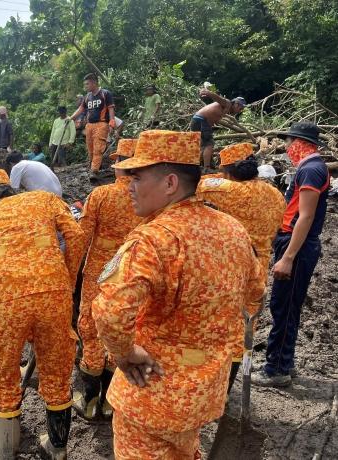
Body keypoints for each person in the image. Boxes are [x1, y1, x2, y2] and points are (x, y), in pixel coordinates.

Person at [92, 130, 265, 459]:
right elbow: (255, 291)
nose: (129, 186)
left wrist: (126, 354)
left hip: (150, 392)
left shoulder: (153, 240)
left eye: (137, 177)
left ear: (170, 183)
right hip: (201, 394)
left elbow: (111, 313)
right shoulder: (233, 230)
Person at [0, 169, 85, 460]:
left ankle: (6, 451)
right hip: (54, 294)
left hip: (7, 301)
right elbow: (75, 235)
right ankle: (57, 448)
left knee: (2, 369)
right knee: (57, 370)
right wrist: (67, 279)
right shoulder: (44, 200)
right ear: (9, 190)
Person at [197, 143, 286, 392]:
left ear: (229, 172)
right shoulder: (274, 194)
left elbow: (197, 183)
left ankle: (215, 386)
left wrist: (217, 176)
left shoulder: (231, 190)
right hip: (260, 264)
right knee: (244, 326)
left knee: (217, 321)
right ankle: (227, 389)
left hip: (231, 263)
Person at [252, 121, 330, 387]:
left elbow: (305, 217)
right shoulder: (309, 168)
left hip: (298, 246)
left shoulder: (310, 169)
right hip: (294, 243)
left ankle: (278, 369)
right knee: (285, 306)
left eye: (288, 143)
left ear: (300, 143)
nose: (286, 149)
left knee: (284, 307)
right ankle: (283, 360)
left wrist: (288, 257)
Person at [73, 138, 142, 421]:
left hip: (99, 274)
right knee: (123, 328)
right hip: (132, 273)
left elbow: (81, 239)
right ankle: (111, 402)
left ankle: (89, 401)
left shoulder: (101, 196)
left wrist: (70, 274)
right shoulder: (150, 197)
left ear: (118, 165)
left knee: (90, 329)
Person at [69, 73, 117, 181]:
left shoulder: (105, 93)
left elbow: (110, 108)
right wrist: (71, 118)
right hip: (89, 125)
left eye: (87, 84)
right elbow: (81, 109)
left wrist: (112, 122)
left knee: (97, 148)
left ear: (94, 82)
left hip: (101, 124)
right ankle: (94, 166)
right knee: (90, 149)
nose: (85, 86)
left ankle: (94, 171)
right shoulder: (87, 97)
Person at [191, 89, 246, 169]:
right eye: (240, 108)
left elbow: (214, 115)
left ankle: (199, 165)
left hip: (198, 120)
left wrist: (214, 123)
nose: (240, 111)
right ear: (236, 104)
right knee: (209, 144)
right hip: (201, 120)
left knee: (202, 145)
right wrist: (208, 93)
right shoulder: (228, 104)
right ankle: (206, 168)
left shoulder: (226, 109)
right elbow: (218, 98)